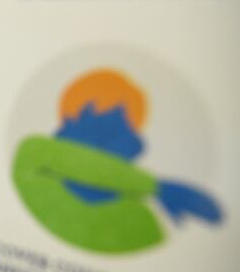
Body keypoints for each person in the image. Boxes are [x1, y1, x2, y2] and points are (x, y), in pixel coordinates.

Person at [13, 68, 221, 254]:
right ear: (75, 118)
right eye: (114, 126)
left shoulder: (141, 220)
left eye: (133, 128)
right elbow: (83, 163)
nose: (136, 146)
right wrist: (156, 187)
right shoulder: (34, 154)